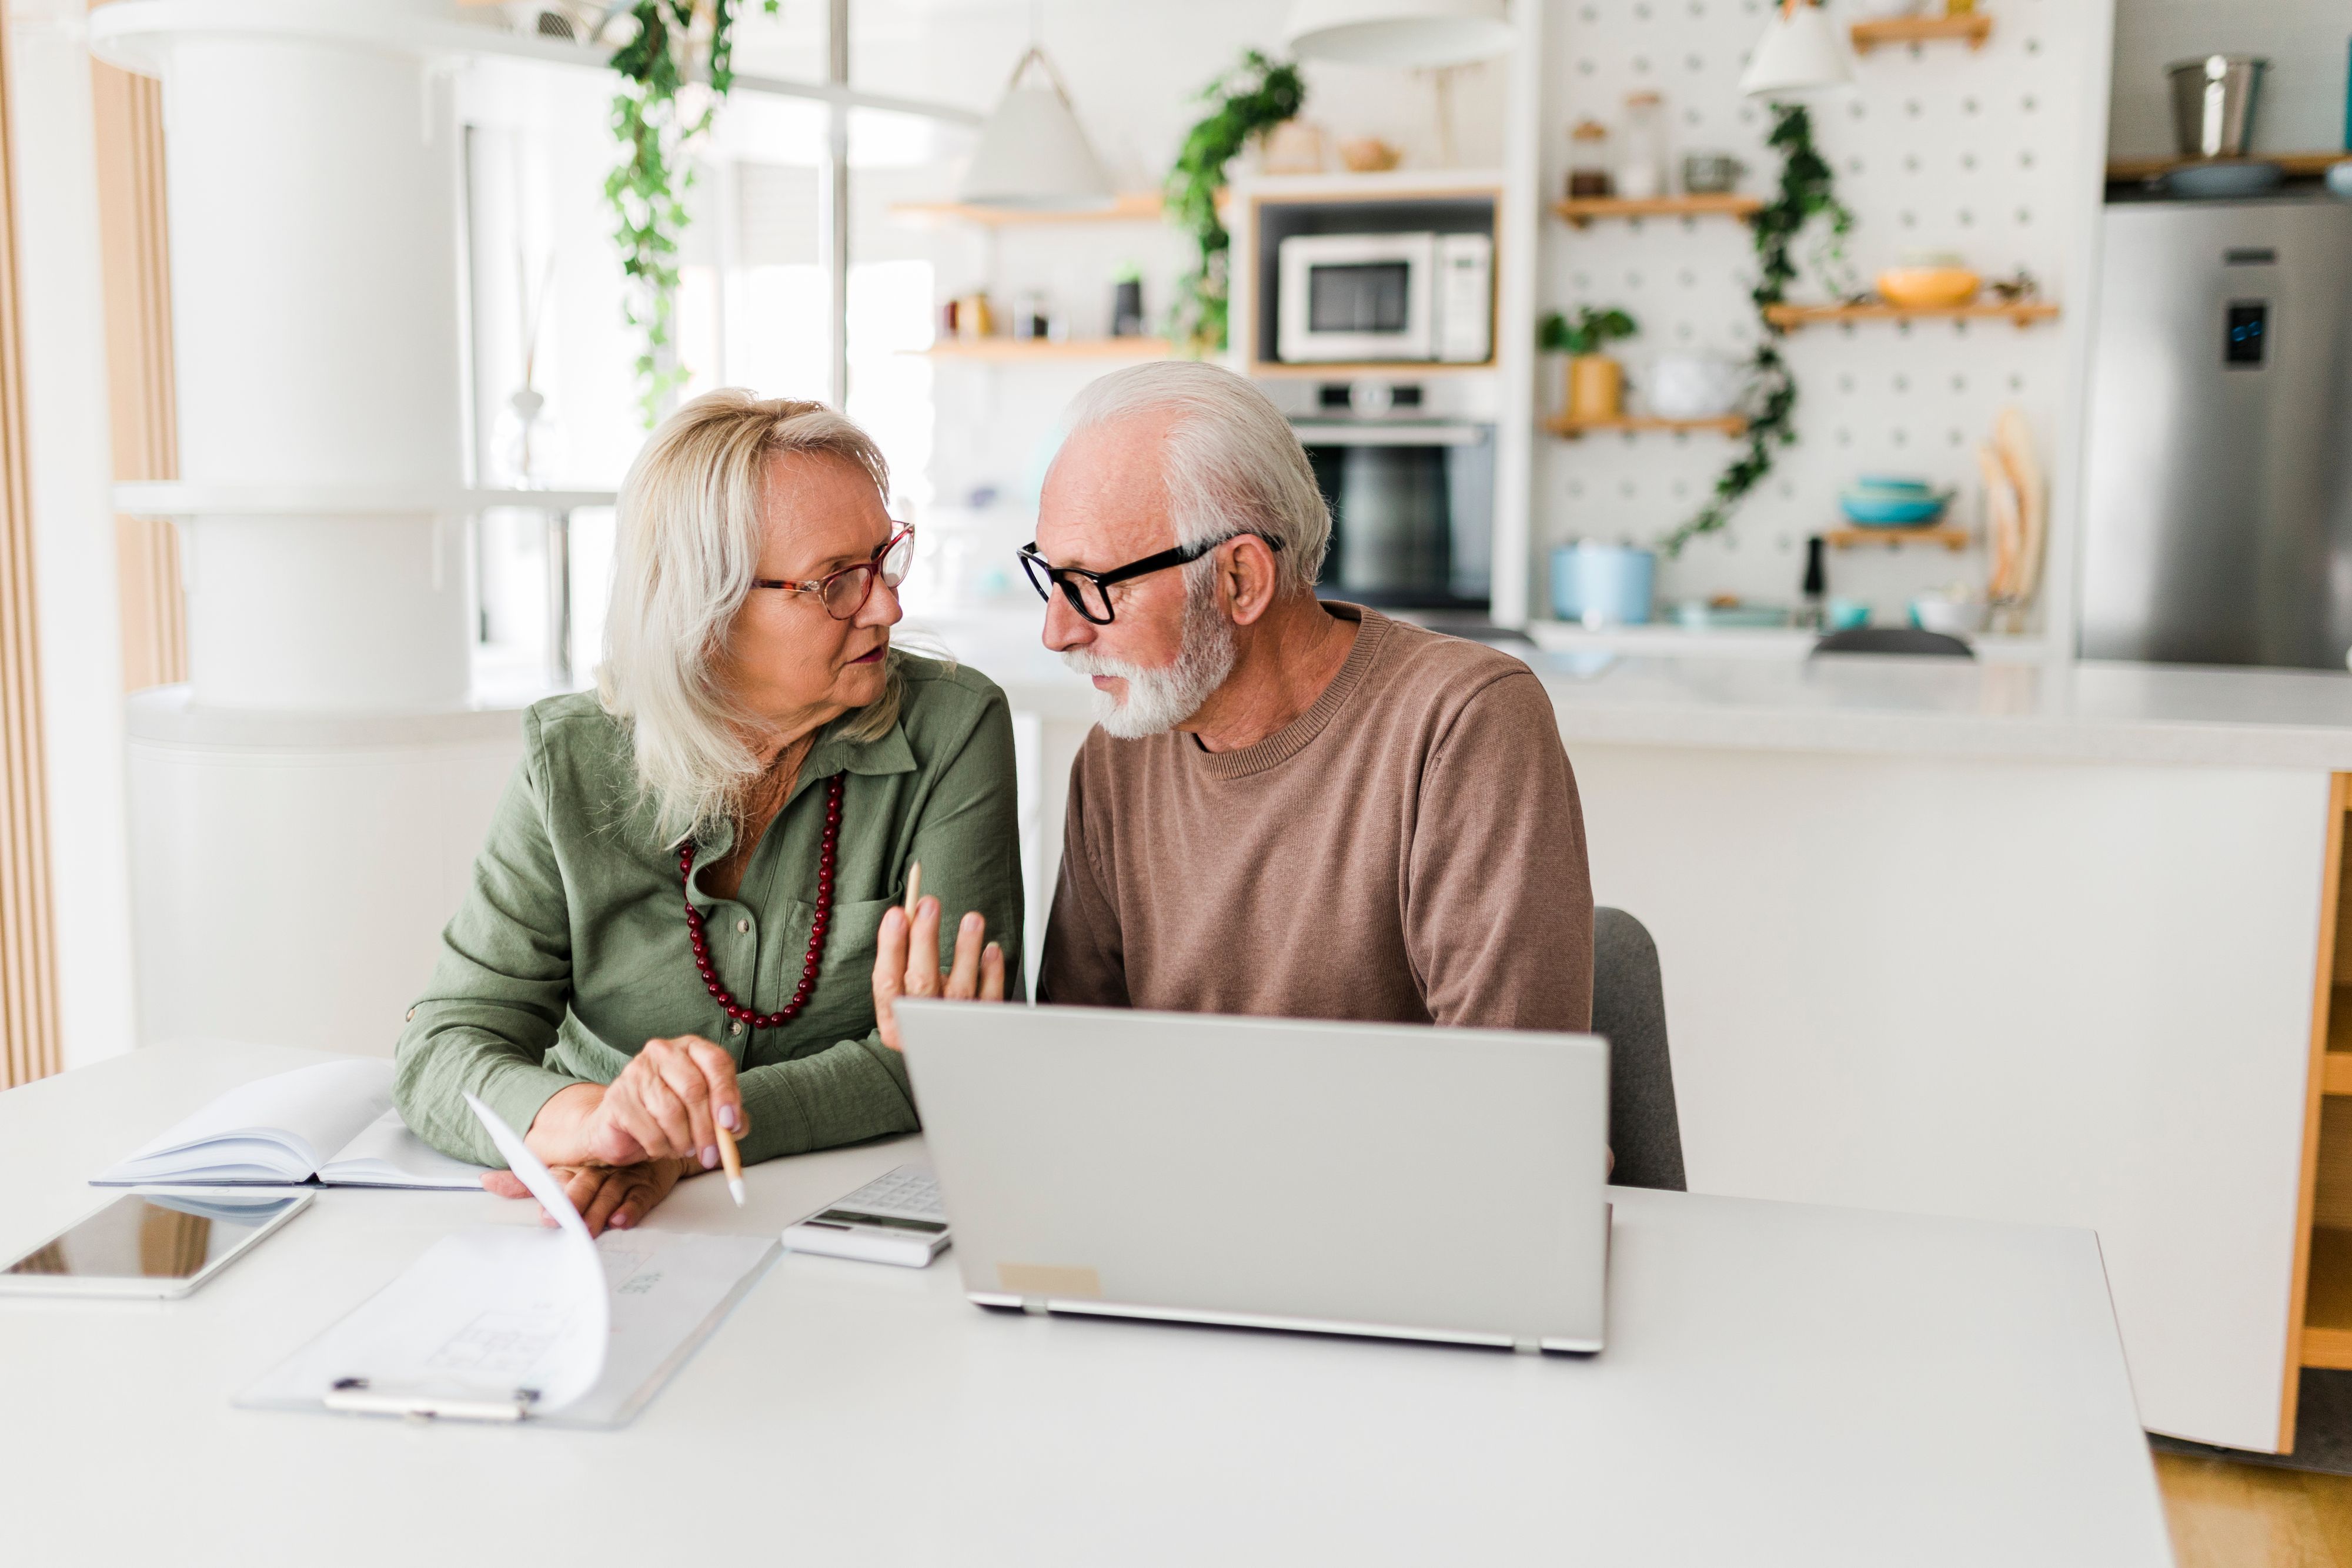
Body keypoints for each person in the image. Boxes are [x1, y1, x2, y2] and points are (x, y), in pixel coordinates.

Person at [396, 390, 1020, 1234]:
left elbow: (950, 1055)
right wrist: (597, 1122)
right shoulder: (569, 760)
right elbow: (443, 1048)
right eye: (838, 580)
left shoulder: (954, 728)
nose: (887, 607)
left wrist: (682, 1136)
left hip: (851, 1220)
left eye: (885, 557)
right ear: (706, 612)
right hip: (608, 1222)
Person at [1030, 360, 1593, 1030]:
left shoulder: (1463, 722)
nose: (1056, 632)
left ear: (1239, 579)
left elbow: (1509, 1095)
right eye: (1049, 575)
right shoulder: (1116, 759)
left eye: (1094, 585)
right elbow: (1080, 1064)